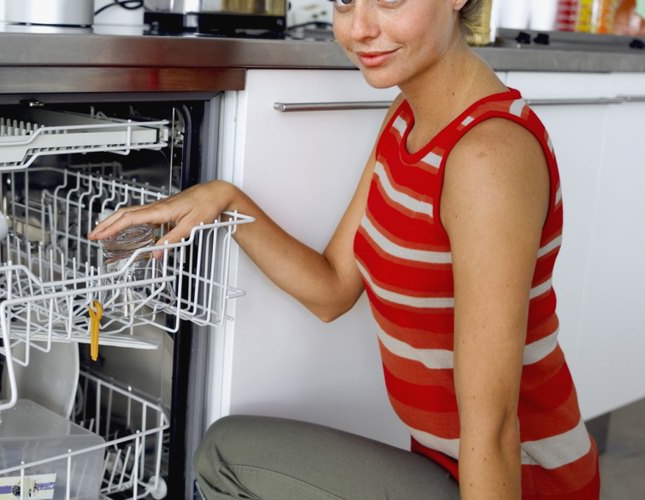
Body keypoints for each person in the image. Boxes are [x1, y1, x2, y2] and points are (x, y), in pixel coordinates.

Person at [88, 0, 601, 498]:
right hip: (443, 460)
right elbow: (332, 287)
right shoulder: (408, 117)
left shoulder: (487, 155)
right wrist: (224, 200)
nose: (359, 29)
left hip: (522, 480)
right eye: (343, 1)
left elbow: (493, 429)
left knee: (226, 457)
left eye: (390, 0)